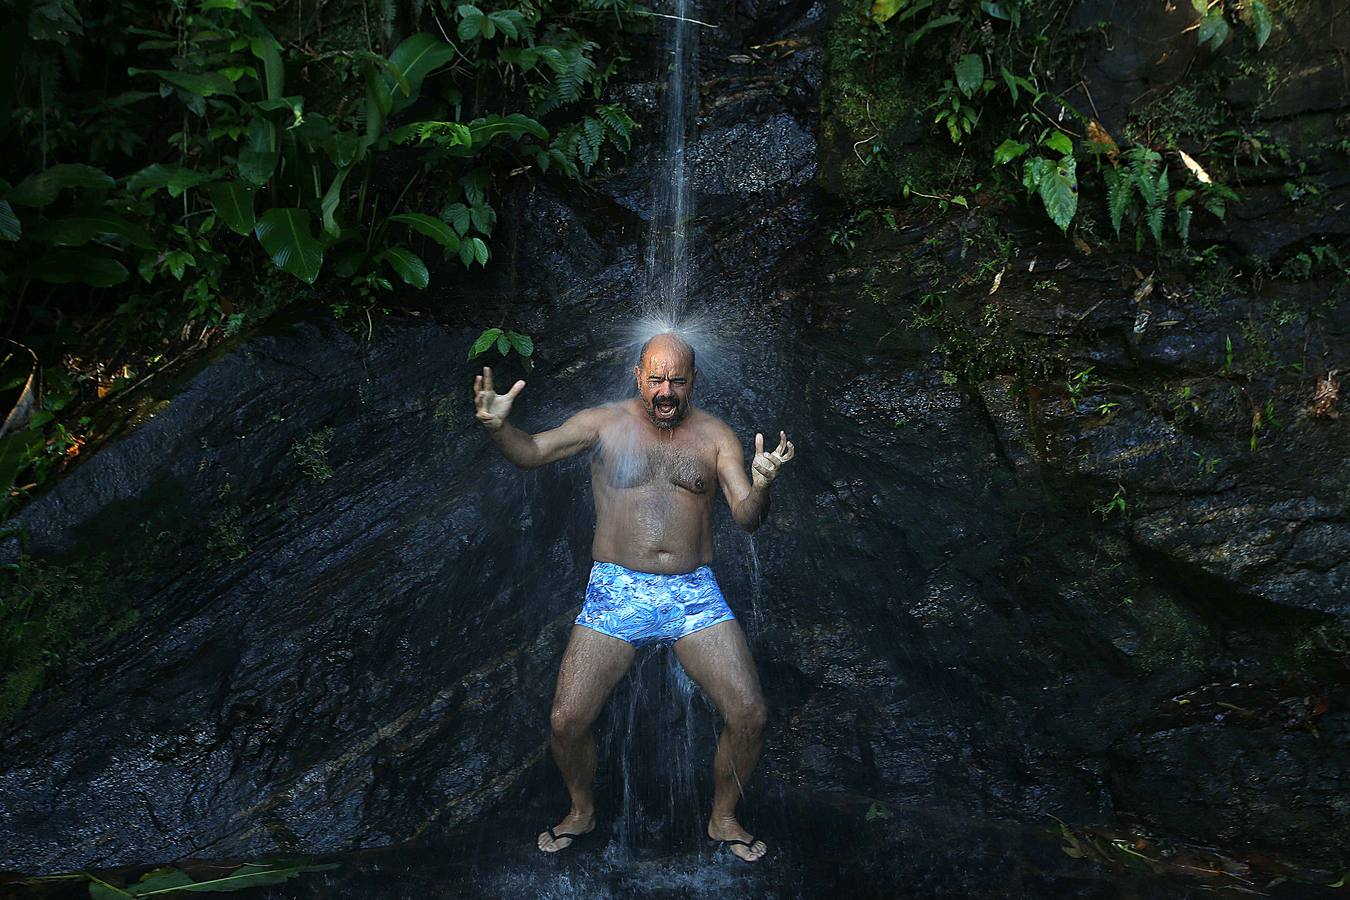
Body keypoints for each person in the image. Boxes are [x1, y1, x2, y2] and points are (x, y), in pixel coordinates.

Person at [472, 332, 795, 863]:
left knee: (751, 712)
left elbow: (747, 517)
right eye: (657, 379)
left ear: (694, 381)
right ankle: (581, 810)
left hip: (692, 594)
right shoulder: (603, 424)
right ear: (637, 374)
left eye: (678, 381)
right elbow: (531, 453)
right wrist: (499, 427)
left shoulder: (716, 436)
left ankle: (723, 817)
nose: (666, 391)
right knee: (566, 720)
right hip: (617, 589)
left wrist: (760, 487)